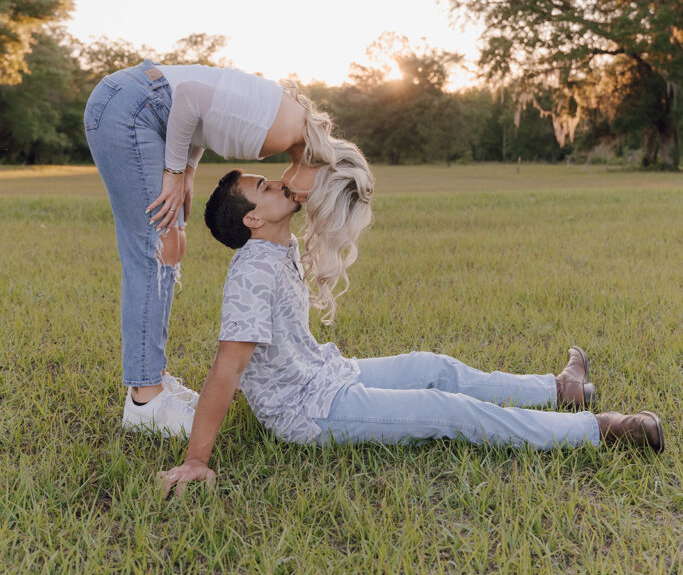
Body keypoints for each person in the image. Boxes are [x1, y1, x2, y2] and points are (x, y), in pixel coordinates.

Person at [157, 170, 664, 496]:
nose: (278, 183)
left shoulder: (279, 245)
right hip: (307, 411)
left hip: (328, 374)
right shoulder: (251, 272)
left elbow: (318, 170)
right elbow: (228, 366)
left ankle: (559, 389)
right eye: (264, 187)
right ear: (251, 217)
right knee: (446, 411)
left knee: (434, 367)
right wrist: (196, 460)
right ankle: (597, 429)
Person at [83, 61, 373, 436]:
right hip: (131, 109)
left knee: (171, 247)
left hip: (139, 104)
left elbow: (205, 118)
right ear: (326, 170)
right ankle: (144, 399)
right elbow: (187, 97)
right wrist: (173, 171)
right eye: (316, 194)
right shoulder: (280, 132)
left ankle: (153, 379)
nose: (301, 198)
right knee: (153, 249)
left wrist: (186, 170)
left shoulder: (289, 128)